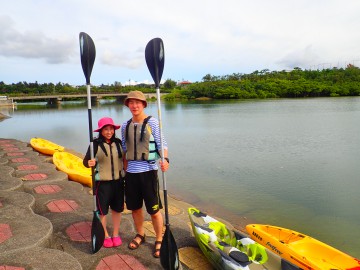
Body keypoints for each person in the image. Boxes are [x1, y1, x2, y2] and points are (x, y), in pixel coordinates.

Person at [121, 90, 169, 258]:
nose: (134, 106)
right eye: (131, 103)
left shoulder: (153, 122)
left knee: (154, 210)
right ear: (128, 105)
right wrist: (124, 173)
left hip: (148, 172)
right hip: (131, 174)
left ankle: (159, 238)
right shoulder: (125, 126)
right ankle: (140, 234)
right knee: (135, 209)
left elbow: (163, 144)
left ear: (143, 105)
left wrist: (166, 160)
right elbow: (125, 151)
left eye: (138, 103)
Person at [83, 117, 125, 248]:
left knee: (117, 210)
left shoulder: (118, 143)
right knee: (102, 211)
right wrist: (89, 163)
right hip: (102, 184)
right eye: (106, 129)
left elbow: (125, 159)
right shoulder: (94, 144)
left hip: (118, 182)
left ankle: (116, 234)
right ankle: (106, 235)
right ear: (101, 131)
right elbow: (85, 162)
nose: (109, 132)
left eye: (111, 129)